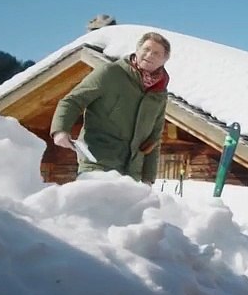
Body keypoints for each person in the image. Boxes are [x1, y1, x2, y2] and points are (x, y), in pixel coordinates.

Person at [49, 31, 172, 185]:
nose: (149, 55)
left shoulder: (159, 94)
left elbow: (153, 139)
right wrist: (60, 130)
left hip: (132, 173)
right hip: (98, 162)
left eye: (156, 53)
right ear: (137, 50)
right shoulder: (111, 73)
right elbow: (73, 100)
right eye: (146, 49)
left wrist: (148, 178)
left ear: (164, 60)